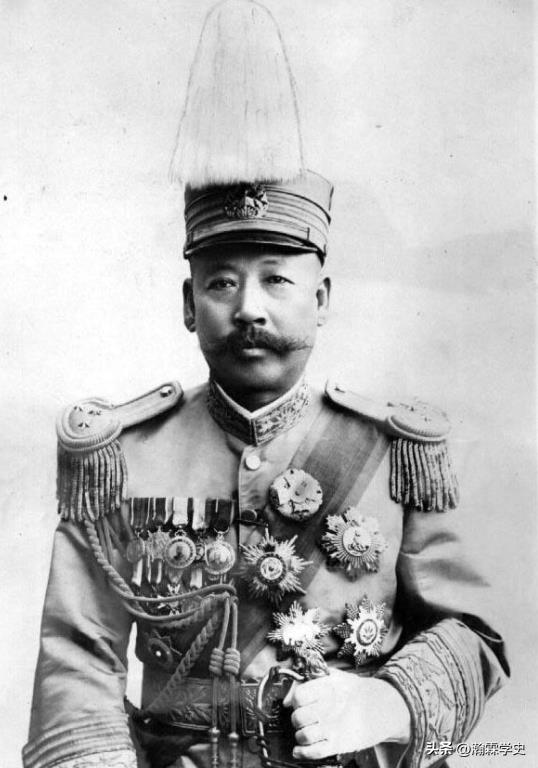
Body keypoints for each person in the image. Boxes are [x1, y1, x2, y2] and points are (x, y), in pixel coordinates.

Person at [23, 3, 508, 768]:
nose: (249, 307)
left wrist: (382, 704)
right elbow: (77, 660)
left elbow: (473, 635)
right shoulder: (122, 459)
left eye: (277, 279)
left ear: (321, 300)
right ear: (189, 305)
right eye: (222, 281)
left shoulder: (398, 456)